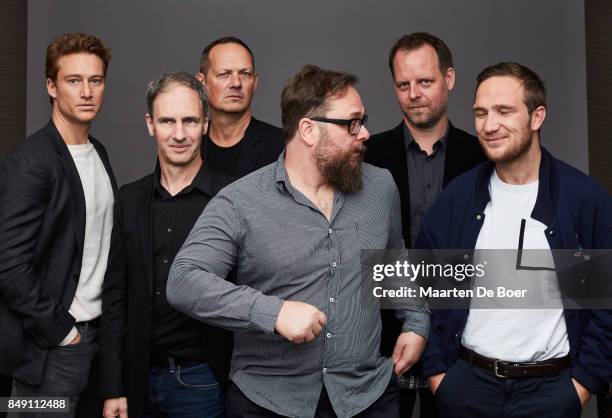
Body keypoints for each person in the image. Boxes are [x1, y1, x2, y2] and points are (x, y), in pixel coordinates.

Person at [167, 64, 429, 417]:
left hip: (367, 397)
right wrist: (273, 313)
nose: (365, 133)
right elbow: (184, 280)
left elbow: (393, 260)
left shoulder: (380, 187)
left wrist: (416, 322)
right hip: (268, 403)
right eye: (352, 123)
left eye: (363, 121)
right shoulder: (240, 201)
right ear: (308, 129)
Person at [417, 62, 612, 418]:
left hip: (551, 391)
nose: (489, 126)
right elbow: (423, 289)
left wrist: (583, 384)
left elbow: (607, 306)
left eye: (503, 111)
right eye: (480, 113)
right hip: (466, 389)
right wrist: (438, 376)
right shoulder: (456, 200)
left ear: (537, 117)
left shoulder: (585, 201)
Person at [364, 32, 486, 417]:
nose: (413, 93)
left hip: (465, 326)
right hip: (383, 329)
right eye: (404, 84)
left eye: (425, 82)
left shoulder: (483, 156)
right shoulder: (366, 156)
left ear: (449, 79)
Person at [99, 72, 232, 418]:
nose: (178, 133)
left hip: (204, 380)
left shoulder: (231, 198)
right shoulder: (129, 199)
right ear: (150, 124)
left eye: (189, 121)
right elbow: (115, 298)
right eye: (167, 121)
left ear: (205, 123)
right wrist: (113, 387)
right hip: (138, 379)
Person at [0, 32, 117, 417]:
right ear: (51, 86)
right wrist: (61, 332)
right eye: (73, 81)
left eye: (95, 81)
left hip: (95, 339)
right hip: (52, 348)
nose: (86, 92)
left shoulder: (97, 151)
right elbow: (9, 265)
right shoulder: (32, 161)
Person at [196, 36, 284, 186]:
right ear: (202, 83)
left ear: (255, 83)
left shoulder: (283, 146)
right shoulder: (189, 144)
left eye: (245, 74)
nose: (236, 83)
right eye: (224, 74)